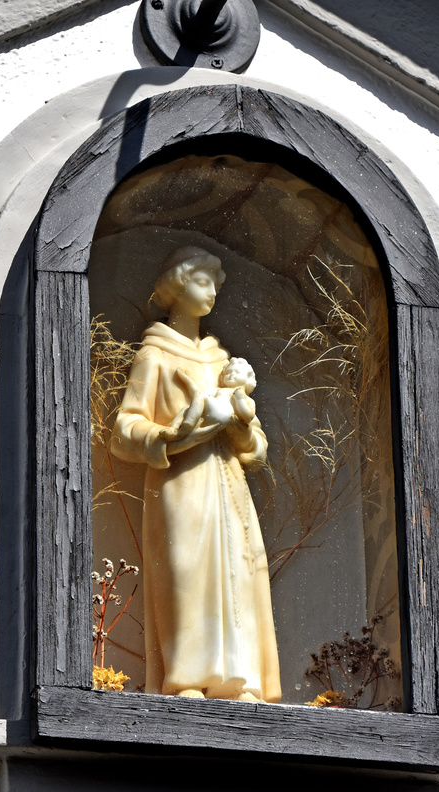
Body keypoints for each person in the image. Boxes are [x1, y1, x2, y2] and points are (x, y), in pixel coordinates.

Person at [110, 246, 281, 703]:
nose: (212, 293)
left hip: (228, 488)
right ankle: (184, 680)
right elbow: (124, 430)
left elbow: (257, 449)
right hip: (180, 485)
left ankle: (237, 681)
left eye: (216, 285)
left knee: (235, 577)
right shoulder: (155, 355)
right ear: (176, 286)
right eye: (202, 281)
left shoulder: (220, 360)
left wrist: (241, 422)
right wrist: (169, 437)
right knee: (185, 577)